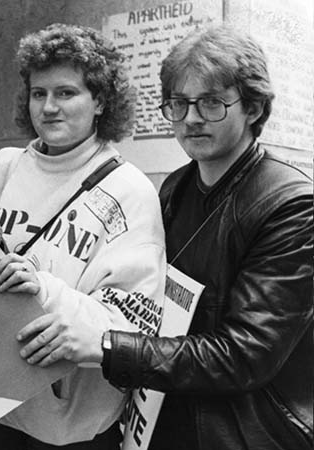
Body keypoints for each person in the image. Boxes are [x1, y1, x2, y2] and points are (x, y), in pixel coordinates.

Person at [97, 27, 312, 450]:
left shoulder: (293, 205)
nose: (191, 118)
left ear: (252, 107)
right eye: (179, 103)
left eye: (212, 102)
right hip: (166, 413)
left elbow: (243, 356)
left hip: (246, 431)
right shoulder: (175, 187)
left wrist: (109, 349)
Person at [0, 24, 166, 449]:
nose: (49, 107)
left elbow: (131, 327)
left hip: (65, 432)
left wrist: (42, 287)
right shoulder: (8, 166)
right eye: (39, 93)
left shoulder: (131, 190)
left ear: (101, 101)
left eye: (66, 93)